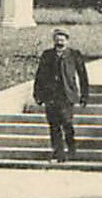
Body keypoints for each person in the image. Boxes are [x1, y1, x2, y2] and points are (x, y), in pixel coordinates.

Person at [32, 28, 90, 163]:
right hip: (51, 96)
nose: (60, 43)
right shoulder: (47, 55)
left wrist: (84, 95)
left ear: (67, 41)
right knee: (54, 125)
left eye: (62, 40)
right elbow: (39, 76)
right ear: (54, 41)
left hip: (67, 96)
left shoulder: (74, 55)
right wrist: (38, 94)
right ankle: (58, 153)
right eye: (57, 40)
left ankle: (71, 150)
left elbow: (83, 76)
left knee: (67, 123)